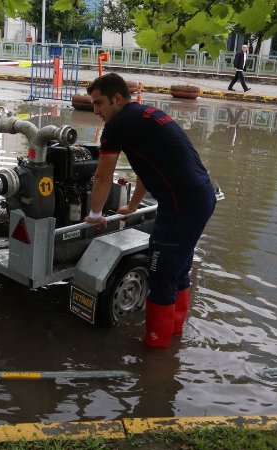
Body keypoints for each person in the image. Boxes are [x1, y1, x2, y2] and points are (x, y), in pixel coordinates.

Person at [84, 73, 216, 348]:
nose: (95, 111)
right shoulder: (146, 114)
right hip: (201, 197)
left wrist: (95, 215)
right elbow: (147, 168)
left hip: (182, 203)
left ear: (117, 99)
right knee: (178, 269)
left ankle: (155, 352)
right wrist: (132, 206)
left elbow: (102, 176)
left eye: (99, 104)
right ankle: (175, 337)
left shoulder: (118, 124)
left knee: (162, 272)